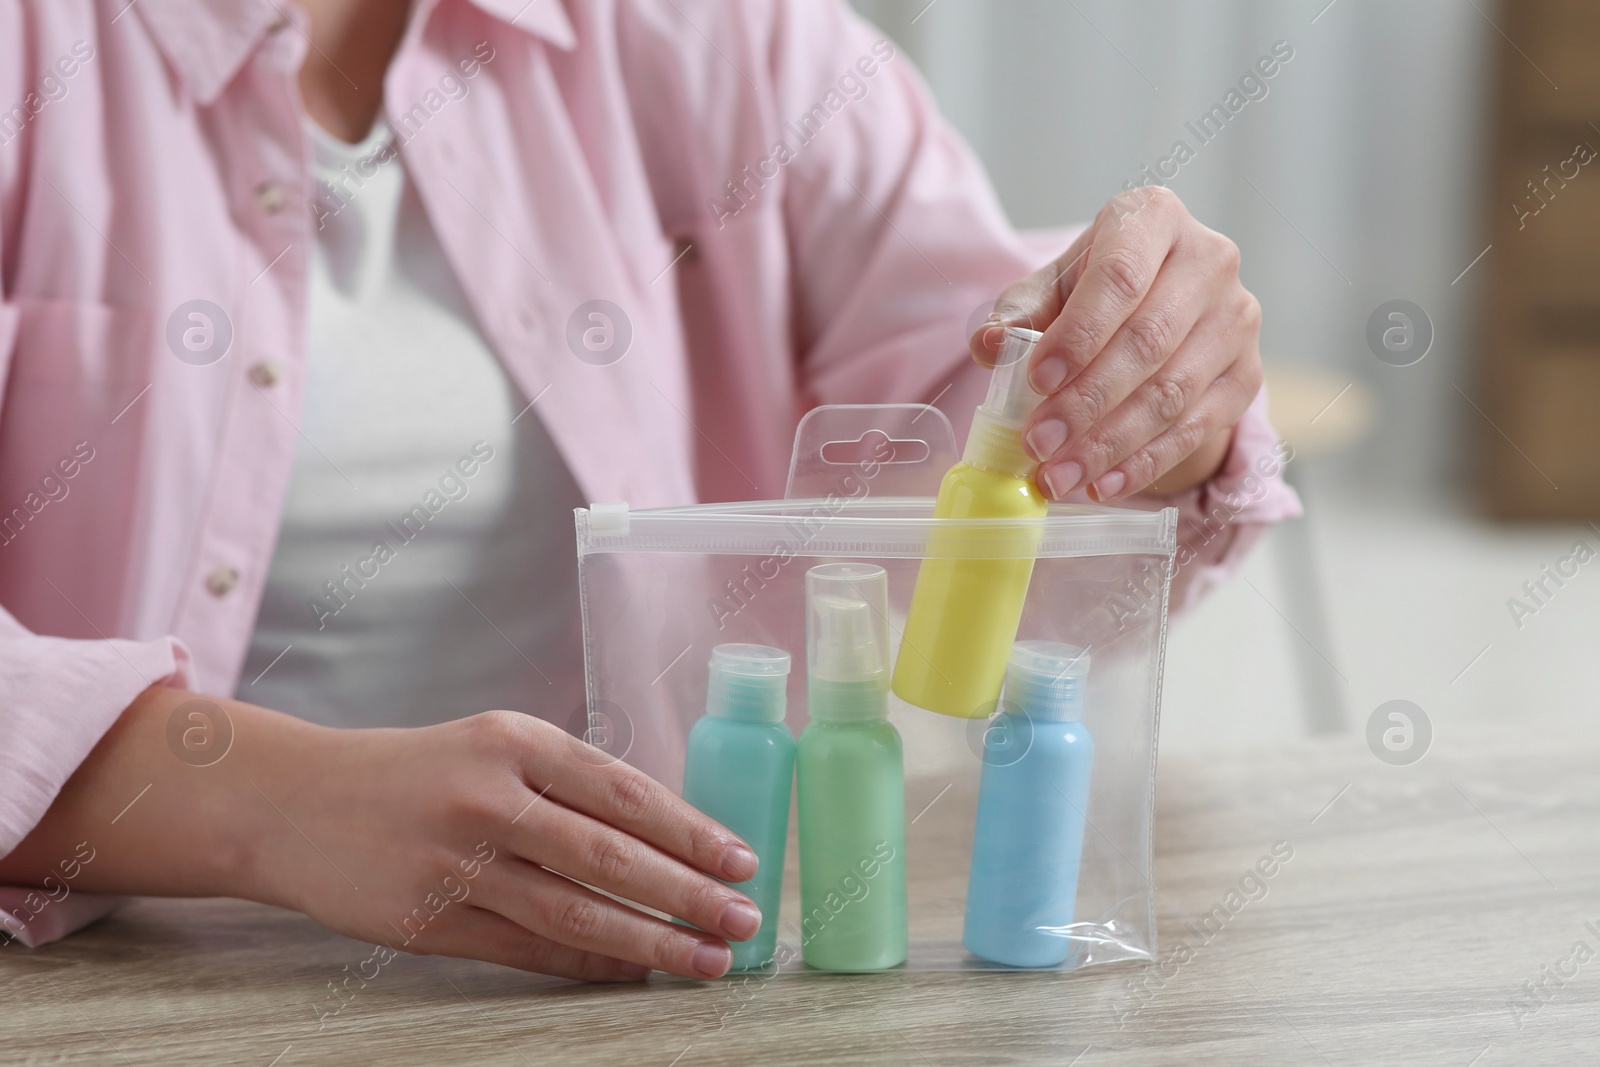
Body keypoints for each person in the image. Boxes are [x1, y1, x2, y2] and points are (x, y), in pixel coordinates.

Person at [0, 0, 1298, 982]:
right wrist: (264, 807)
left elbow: (961, 406)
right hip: (97, 987)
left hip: (654, 979)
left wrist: (1138, 397)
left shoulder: (715, 34)